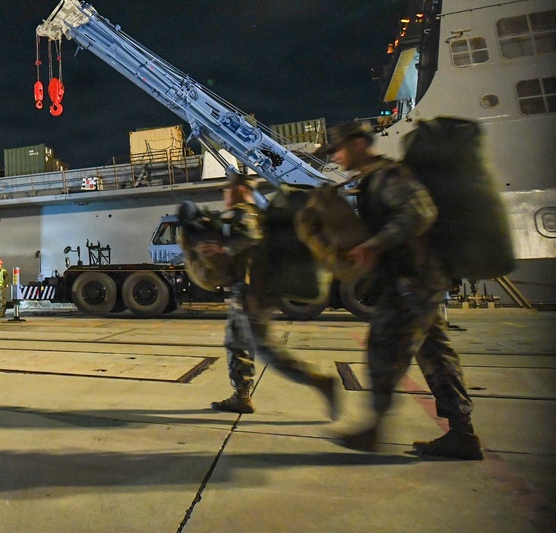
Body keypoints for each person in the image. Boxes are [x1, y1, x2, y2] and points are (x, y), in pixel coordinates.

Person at [319, 120, 482, 460]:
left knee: (382, 348)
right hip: (419, 279)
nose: (334, 156)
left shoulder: (388, 176)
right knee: (436, 355)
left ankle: (372, 429)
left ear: (360, 143)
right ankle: (462, 434)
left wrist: (375, 245)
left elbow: (421, 213)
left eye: (338, 148)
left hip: (413, 281)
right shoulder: (370, 180)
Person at [186, 173, 339, 417]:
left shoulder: (246, 211)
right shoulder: (247, 212)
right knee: (236, 342)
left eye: (228, 189)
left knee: (267, 350)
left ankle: (320, 382)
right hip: (246, 290)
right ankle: (241, 395)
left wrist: (223, 247)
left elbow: (251, 237)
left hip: (253, 292)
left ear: (239, 190)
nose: (225, 193)